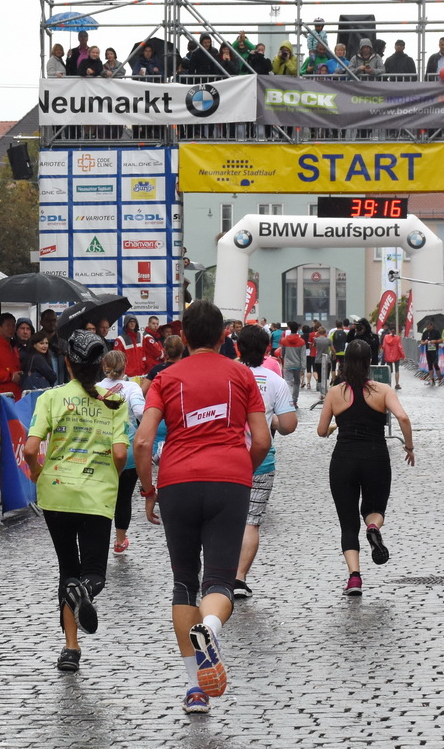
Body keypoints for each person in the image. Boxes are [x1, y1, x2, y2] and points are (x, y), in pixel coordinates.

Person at [135, 299, 270, 714]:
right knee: (219, 582)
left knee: (183, 582)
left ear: (185, 337)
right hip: (229, 478)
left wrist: (148, 490)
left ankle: (195, 689)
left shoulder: (165, 377)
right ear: (222, 335)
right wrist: (238, 471)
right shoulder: (242, 374)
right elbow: (262, 441)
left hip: (177, 480)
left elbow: (142, 441)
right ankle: (210, 628)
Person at [23, 331, 130, 673]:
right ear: (100, 366)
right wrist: (109, 478)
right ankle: (82, 591)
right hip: (96, 493)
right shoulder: (114, 401)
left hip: (56, 491)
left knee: (67, 570)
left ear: (67, 363)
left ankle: (71, 649)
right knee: (94, 574)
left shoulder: (50, 398)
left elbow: (29, 449)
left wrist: (37, 471)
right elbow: (119, 453)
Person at [317, 339, 413, 598]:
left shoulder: (336, 392)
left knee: (348, 524)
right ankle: (373, 528)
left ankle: (354, 578)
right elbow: (403, 417)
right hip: (376, 457)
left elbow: (321, 431)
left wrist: (340, 426)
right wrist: (409, 447)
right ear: (371, 361)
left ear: (345, 361)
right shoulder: (382, 390)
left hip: (343, 460)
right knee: (374, 509)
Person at [232, 325, 298, 600]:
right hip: (261, 459)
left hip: (226, 458)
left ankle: (216, 574)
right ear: (268, 350)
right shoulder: (275, 381)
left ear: (238, 348)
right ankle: (239, 577)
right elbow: (289, 426)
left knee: (224, 520)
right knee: (251, 521)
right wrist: (272, 420)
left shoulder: (228, 375)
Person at [96, 349, 147, 559]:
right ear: (125, 366)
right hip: (127, 450)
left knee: (100, 497)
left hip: (99, 450)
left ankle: (98, 538)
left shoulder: (94, 388)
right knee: (124, 497)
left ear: (103, 366)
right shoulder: (132, 387)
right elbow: (141, 412)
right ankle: (119, 541)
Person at [278, 322, 307, 406]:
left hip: (287, 364)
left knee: (288, 382)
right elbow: (303, 356)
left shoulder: (285, 341)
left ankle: (288, 400)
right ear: (297, 329)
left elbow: (282, 353)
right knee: (297, 383)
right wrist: (303, 368)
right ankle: (294, 400)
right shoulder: (301, 341)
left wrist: (284, 360)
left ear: (289, 328)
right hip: (297, 365)